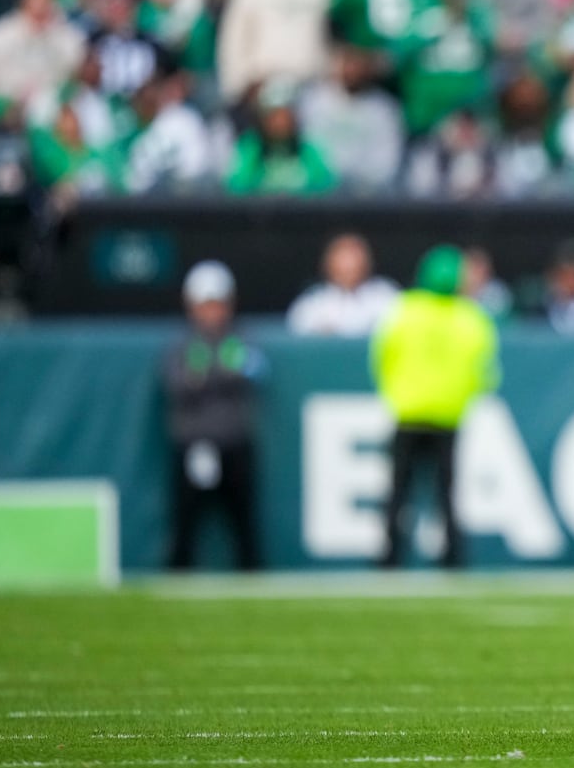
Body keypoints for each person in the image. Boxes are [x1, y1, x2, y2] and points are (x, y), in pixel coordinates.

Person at [370, 245, 500, 567]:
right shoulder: (472, 317)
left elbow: (381, 357)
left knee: (398, 493)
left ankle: (388, 559)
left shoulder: (403, 310)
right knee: (447, 494)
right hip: (447, 415)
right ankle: (453, 559)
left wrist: (396, 392)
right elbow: (486, 373)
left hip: (408, 412)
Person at [161, 260, 267, 570]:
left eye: (217, 304)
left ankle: (252, 581)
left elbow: (254, 371)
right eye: (205, 304)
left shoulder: (242, 338)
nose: (212, 312)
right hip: (194, 443)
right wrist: (222, 372)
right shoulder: (182, 344)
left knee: (243, 524)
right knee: (186, 522)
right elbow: (179, 384)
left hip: (235, 443)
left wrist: (208, 374)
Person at [287, 233, 399, 336]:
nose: (349, 265)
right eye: (343, 257)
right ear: (328, 263)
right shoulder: (312, 303)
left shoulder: (386, 295)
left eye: (355, 256)